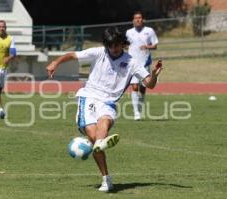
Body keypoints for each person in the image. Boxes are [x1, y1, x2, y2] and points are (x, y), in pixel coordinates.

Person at [46, 27, 163, 192]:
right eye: (111, 46)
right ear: (106, 45)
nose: (114, 49)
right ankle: (106, 175)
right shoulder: (99, 52)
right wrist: (55, 63)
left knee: (104, 122)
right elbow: (73, 55)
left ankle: (101, 148)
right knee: (94, 138)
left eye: (117, 45)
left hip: (109, 102)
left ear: (122, 43)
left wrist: (155, 74)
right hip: (88, 97)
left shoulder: (132, 62)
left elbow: (149, 84)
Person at [126, 11, 159, 120]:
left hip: (145, 63)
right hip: (133, 64)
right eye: (136, 18)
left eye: (140, 18)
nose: (138, 20)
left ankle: (139, 109)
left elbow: (155, 46)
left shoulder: (149, 31)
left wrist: (147, 47)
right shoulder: (129, 32)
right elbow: (125, 45)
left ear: (143, 19)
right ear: (133, 20)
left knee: (143, 88)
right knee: (134, 86)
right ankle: (136, 113)